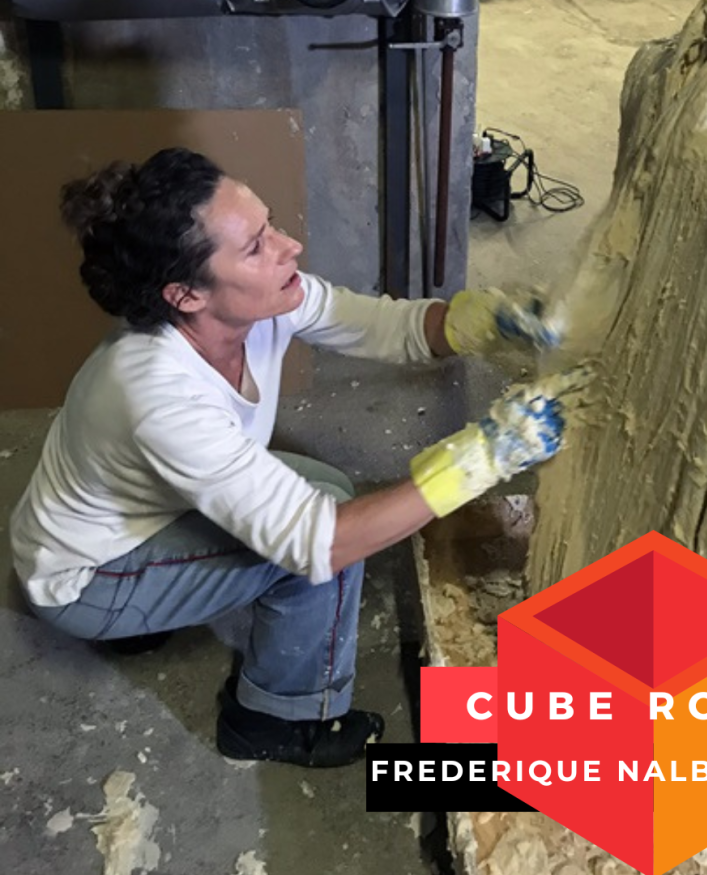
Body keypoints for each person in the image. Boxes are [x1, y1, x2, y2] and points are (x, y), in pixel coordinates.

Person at [10, 147, 585, 769]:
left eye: (271, 225)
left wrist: (482, 320)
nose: (289, 247)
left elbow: (380, 326)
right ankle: (275, 719)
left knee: (322, 487)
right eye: (255, 247)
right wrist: (486, 456)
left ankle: (151, 618)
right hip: (86, 578)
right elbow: (320, 545)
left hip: (134, 519)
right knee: (330, 549)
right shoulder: (157, 393)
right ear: (186, 293)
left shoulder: (256, 304)